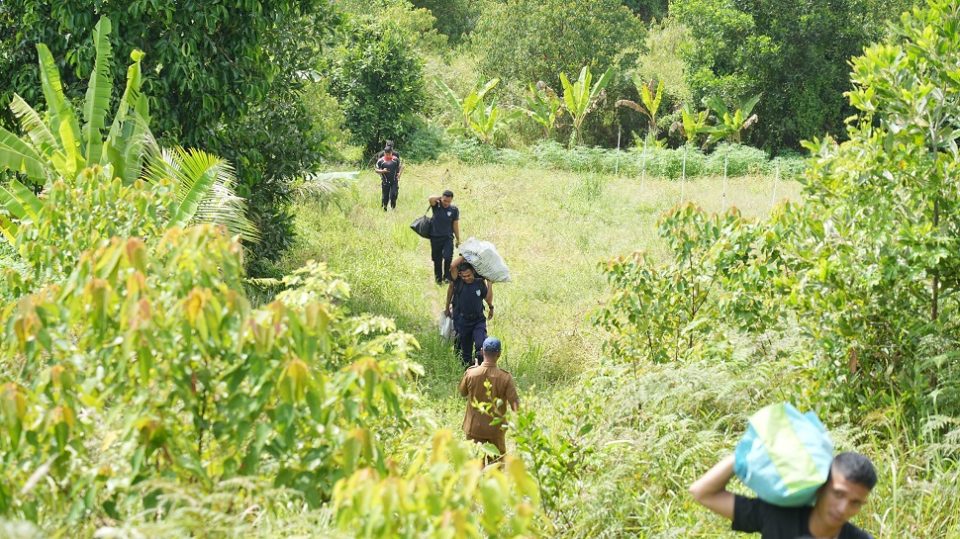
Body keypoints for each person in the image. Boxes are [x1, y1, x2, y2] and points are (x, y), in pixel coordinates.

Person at [689, 451, 877, 539]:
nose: (843, 508)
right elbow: (703, 493)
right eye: (838, 494)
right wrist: (744, 454)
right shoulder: (778, 516)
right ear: (821, 487)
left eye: (855, 503)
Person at [458, 337, 519, 464]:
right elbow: (515, 406)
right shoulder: (505, 377)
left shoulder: (471, 373)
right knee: (496, 468)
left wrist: (474, 370)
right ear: (499, 354)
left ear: (482, 352)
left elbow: (463, 393)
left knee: (474, 468)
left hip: (473, 429)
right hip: (496, 430)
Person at [446, 262, 493, 367]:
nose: (466, 278)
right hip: (464, 322)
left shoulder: (479, 283)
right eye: (464, 276)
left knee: (481, 348)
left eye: (469, 275)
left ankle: (482, 371)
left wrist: (489, 284)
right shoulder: (458, 282)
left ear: (473, 272)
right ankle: (469, 375)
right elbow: (453, 266)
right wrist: (463, 255)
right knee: (466, 356)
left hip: (478, 321)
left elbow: (488, 299)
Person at [428, 190, 460, 284]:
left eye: (449, 201)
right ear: (441, 199)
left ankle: (447, 277)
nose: (446, 203)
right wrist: (440, 198)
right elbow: (430, 199)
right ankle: (438, 279)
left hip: (448, 238)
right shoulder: (436, 206)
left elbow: (455, 225)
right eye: (445, 201)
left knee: (448, 257)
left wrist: (458, 239)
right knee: (437, 259)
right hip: (435, 237)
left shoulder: (454, 210)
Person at [374, 146, 402, 211]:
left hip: (394, 181)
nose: (388, 156)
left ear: (391, 153)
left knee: (394, 194)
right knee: (385, 198)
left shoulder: (395, 160)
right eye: (386, 154)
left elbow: (400, 167)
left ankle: (393, 208)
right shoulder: (381, 161)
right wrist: (382, 171)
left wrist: (399, 173)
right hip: (385, 182)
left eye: (389, 154)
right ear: (384, 153)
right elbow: (376, 170)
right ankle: (385, 209)